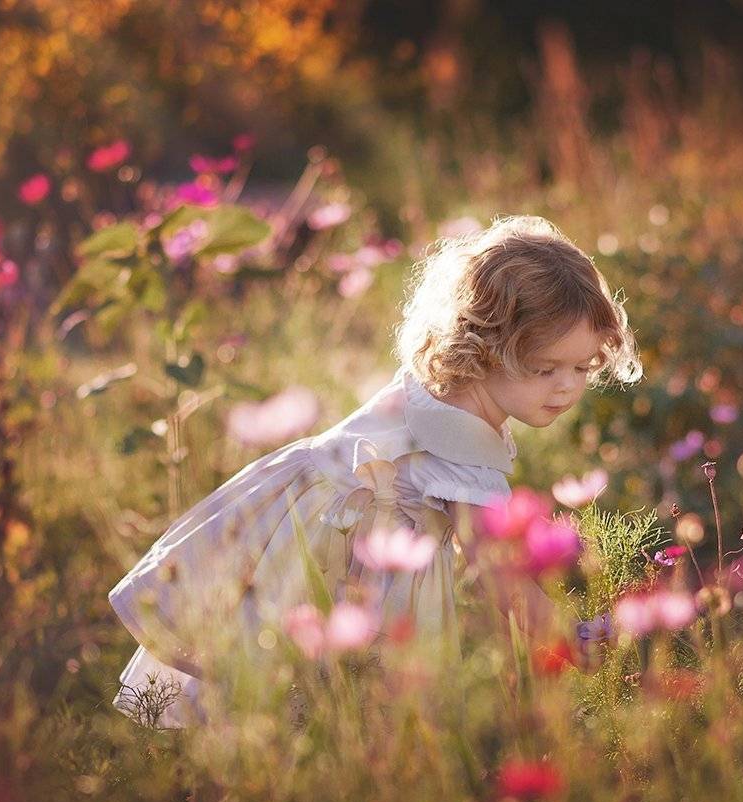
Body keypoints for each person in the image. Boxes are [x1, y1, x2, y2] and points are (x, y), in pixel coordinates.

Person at [108, 215, 641, 727]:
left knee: (274, 685)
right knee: (355, 705)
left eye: (583, 366)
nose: (567, 387)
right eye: (545, 369)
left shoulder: (433, 390)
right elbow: (500, 577)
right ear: (485, 348)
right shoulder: (461, 446)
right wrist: (570, 639)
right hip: (344, 560)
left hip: (307, 537)